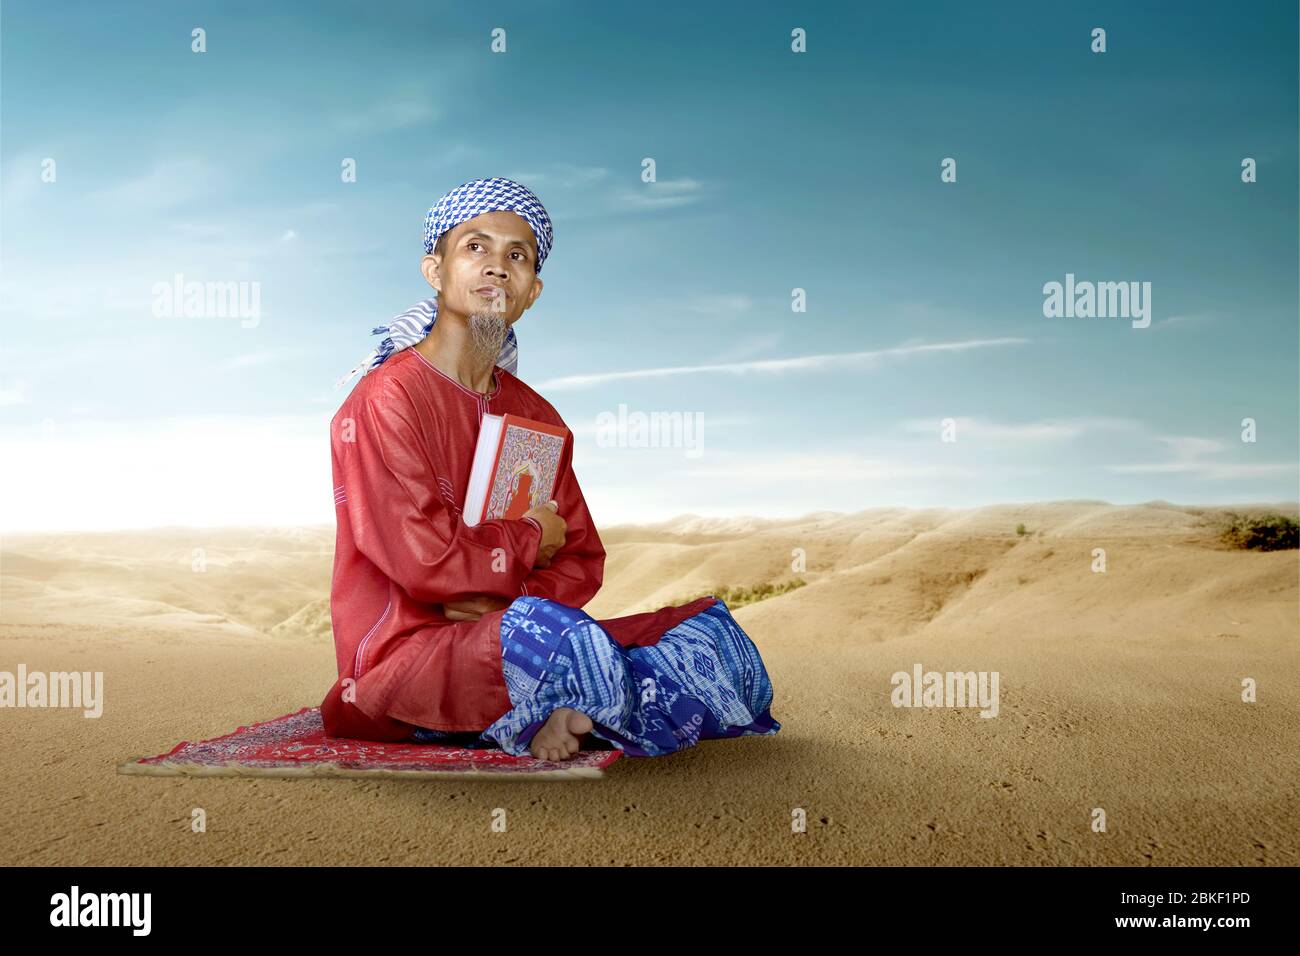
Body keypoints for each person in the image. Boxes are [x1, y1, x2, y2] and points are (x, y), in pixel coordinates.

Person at [321, 177, 779, 761]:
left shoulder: (535, 416)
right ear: (434, 271)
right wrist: (531, 539)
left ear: (532, 291)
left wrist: (511, 600)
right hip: (407, 656)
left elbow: (582, 558)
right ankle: (576, 703)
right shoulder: (388, 399)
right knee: (557, 645)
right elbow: (422, 562)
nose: (496, 267)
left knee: (712, 635)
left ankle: (568, 707)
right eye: (475, 248)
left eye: (516, 256)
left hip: (514, 624)